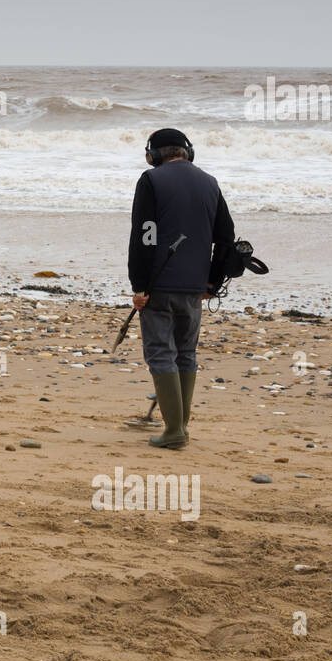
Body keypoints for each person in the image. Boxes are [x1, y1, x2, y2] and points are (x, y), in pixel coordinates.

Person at [127, 128, 235, 449]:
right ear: (187, 151)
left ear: (155, 155)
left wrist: (139, 285)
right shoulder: (210, 183)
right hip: (194, 289)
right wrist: (213, 283)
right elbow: (226, 239)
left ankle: (174, 431)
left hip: (158, 287)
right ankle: (180, 428)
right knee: (186, 353)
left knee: (161, 353)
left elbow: (144, 237)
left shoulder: (151, 181)